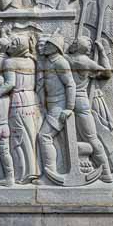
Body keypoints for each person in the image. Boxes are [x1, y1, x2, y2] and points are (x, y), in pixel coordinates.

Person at [0, 35, 39, 181]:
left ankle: (22, 175)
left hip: (18, 101)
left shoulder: (10, 62)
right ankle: (32, 170)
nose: (11, 45)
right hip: (32, 100)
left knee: (17, 138)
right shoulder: (31, 61)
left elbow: (10, 84)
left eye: (15, 44)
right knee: (30, 136)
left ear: (21, 47)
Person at [67, 36, 113, 183]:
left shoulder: (66, 59)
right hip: (80, 100)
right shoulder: (85, 61)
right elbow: (107, 72)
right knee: (92, 137)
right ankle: (106, 172)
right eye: (88, 44)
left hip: (63, 101)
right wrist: (101, 52)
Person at [36, 34, 75, 181]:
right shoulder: (47, 61)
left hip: (59, 106)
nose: (44, 47)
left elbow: (70, 84)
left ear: (55, 47)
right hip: (49, 105)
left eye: (48, 44)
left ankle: (50, 174)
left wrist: (69, 108)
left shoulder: (61, 62)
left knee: (44, 136)